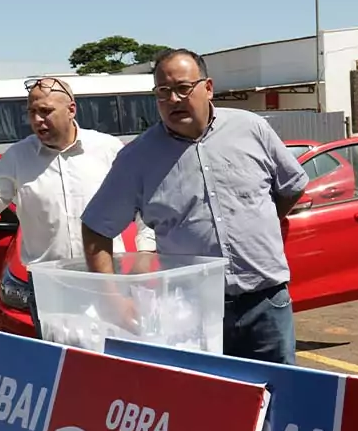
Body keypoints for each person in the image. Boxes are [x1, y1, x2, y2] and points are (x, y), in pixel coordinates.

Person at [80, 49, 309, 365]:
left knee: (278, 392)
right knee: (205, 395)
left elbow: (292, 185)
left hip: (265, 305)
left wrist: (262, 222)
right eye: (163, 92)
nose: (173, 99)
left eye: (183, 88)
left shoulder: (251, 129)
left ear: (208, 87)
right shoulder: (137, 159)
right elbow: (96, 228)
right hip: (191, 313)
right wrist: (111, 299)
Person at [0, 75, 155, 334]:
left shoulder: (107, 148)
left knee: (111, 352)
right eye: (31, 112)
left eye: (45, 111)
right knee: (60, 356)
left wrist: (145, 252)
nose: (37, 120)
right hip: (50, 289)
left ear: (71, 110)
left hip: (107, 281)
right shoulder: (17, 157)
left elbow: (144, 203)